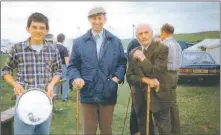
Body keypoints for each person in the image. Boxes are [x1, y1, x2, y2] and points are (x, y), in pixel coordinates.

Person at [67, 6, 127, 135]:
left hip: (108, 91)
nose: (97, 21)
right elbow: (72, 66)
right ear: (89, 20)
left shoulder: (115, 41)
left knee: (106, 130)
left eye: (100, 18)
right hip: (87, 91)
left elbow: (122, 63)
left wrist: (115, 79)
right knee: (89, 131)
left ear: (105, 19)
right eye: (94, 18)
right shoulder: (79, 42)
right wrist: (76, 78)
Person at [1, 12, 62, 135]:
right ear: (28, 28)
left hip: (45, 101)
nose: (38, 31)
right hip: (24, 102)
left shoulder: (53, 49)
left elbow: (58, 71)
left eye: (42, 28)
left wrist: (52, 84)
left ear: (47, 30)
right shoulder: (17, 48)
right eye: (34, 27)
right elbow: (6, 71)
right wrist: (15, 85)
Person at [126, 23, 173, 135]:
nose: (143, 36)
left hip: (159, 96)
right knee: (145, 130)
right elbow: (129, 77)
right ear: (137, 37)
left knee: (164, 130)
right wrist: (144, 80)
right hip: (140, 98)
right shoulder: (133, 52)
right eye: (140, 34)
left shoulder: (162, 49)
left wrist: (142, 58)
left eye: (146, 32)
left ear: (151, 34)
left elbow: (155, 73)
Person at [160, 23, 182, 135]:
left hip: (166, 75)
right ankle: (176, 130)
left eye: (161, 33)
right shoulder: (177, 44)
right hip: (175, 75)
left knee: (165, 104)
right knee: (173, 103)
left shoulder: (164, 45)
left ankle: (167, 131)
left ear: (164, 32)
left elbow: (161, 64)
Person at [54, 33, 70, 102]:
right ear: (63, 40)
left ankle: (55, 96)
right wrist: (69, 68)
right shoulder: (64, 48)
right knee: (65, 81)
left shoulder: (52, 47)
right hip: (63, 65)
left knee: (56, 80)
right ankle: (64, 97)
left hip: (55, 66)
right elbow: (66, 60)